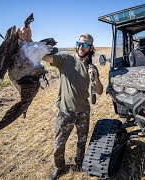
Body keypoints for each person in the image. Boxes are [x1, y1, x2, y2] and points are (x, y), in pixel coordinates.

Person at [42, 33, 103, 180]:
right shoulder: (65, 59)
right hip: (65, 111)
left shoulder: (91, 67)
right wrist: (32, 47)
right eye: (79, 43)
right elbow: (46, 58)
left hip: (83, 112)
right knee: (59, 143)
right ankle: (59, 167)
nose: (81, 47)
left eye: (85, 44)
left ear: (90, 48)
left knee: (81, 141)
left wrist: (95, 76)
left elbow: (100, 91)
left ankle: (79, 161)